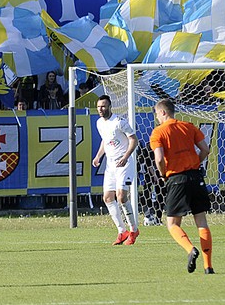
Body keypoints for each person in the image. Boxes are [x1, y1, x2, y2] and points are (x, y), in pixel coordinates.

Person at [150, 98, 214, 274]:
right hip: (196, 177)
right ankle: (208, 266)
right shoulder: (189, 126)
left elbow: (159, 159)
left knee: (172, 224)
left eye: (157, 114)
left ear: (163, 112)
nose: (157, 117)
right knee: (201, 221)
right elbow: (206, 150)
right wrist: (195, 163)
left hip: (177, 179)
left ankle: (190, 249)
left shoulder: (158, 132)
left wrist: (163, 175)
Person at [92, 95, 140, 245]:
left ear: (110, 106)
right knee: (107, 198)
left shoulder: (120, 122)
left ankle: (133, 229)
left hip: (124, 163)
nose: (101, 109)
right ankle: (122, 231)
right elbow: (105, 141)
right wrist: (98, 156)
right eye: (99, 106)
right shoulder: (99, 123)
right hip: (110, 165)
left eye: (104, 106)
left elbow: (134, 140)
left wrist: (126, 157)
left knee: (121, 196)